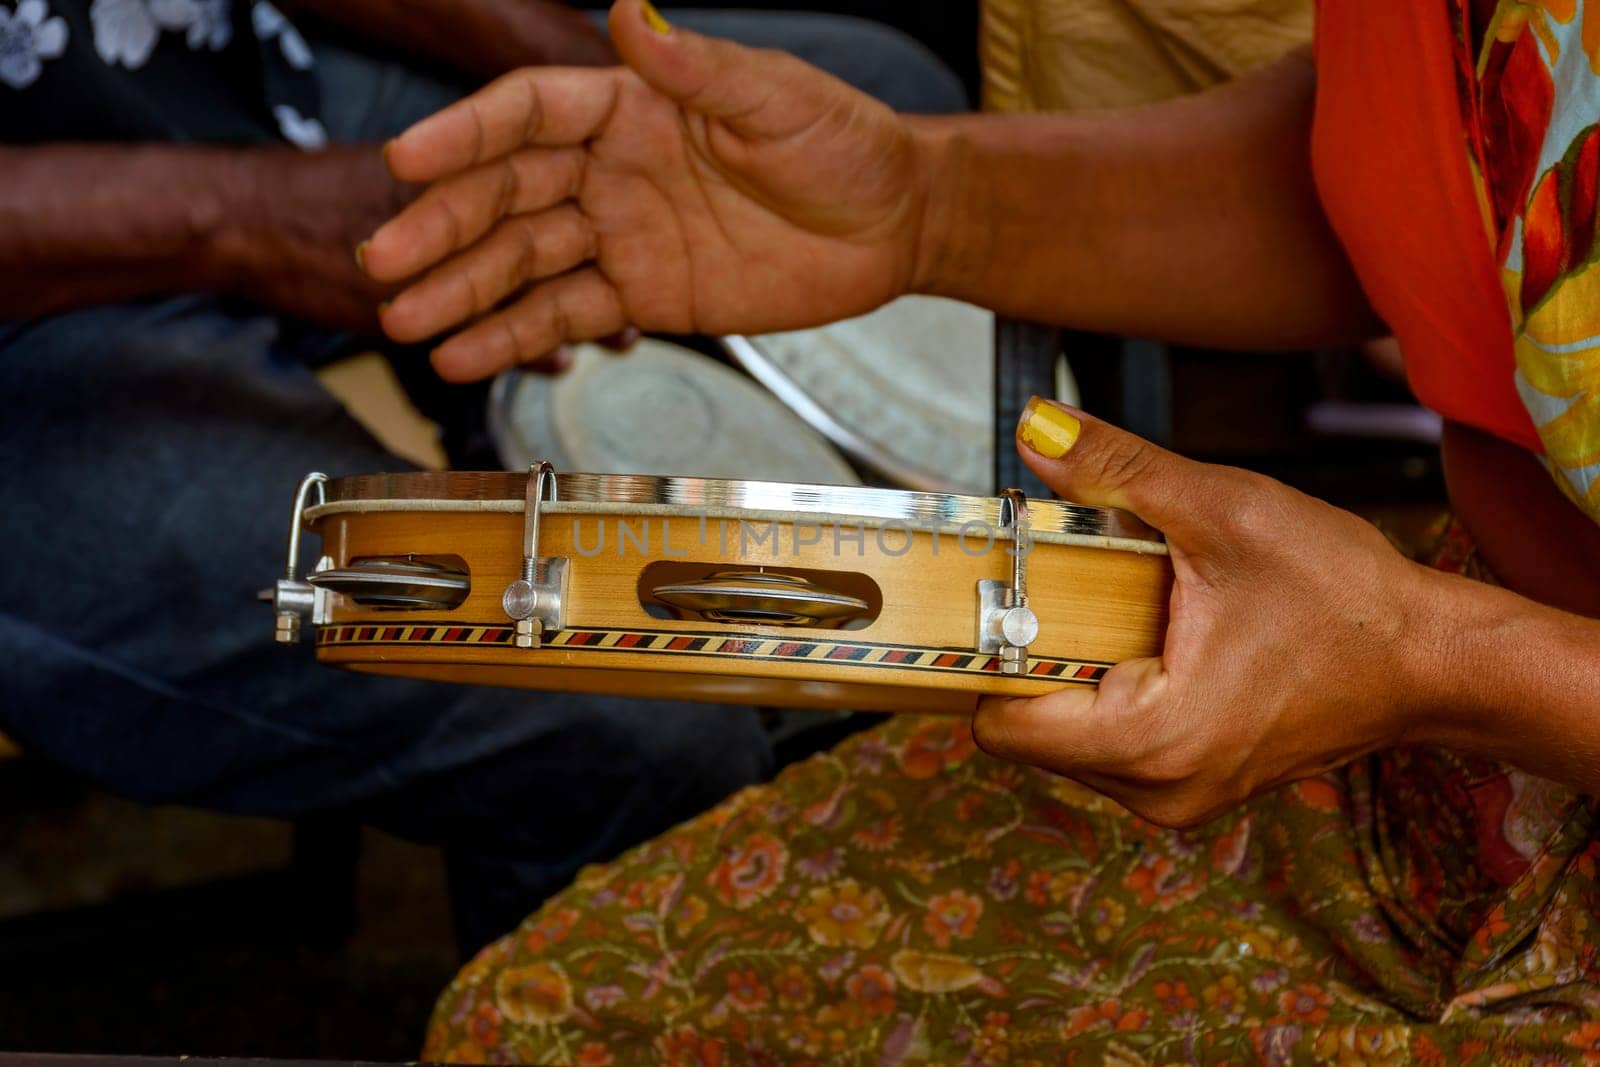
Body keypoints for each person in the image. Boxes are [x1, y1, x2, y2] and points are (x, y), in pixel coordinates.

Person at [365, 0, 1600, 1060]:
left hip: (1466, 728)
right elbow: (1466, 169)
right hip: (1420, 792)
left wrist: (1429, 654)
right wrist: (928, 207)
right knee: (555, 1014)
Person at [0, 0, 963, 955]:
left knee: (886, 118)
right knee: (634, 712)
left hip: (227, 71)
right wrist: (252, 219)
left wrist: (585, 67)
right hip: (33, 329)